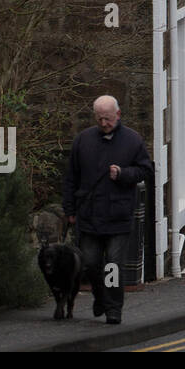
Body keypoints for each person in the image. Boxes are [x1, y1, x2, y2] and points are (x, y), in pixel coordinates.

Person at [62, 95, 153, 326]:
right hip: (89, 214)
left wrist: (123, 174)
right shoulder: (83, 140)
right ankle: (100, 296)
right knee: (90, 263)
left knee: (113, 265)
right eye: (100, 119)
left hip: (118, 216)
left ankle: (114, 309)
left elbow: (146, 170)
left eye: (108, 119)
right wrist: (69, 210)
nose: (104, 123)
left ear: (118, 115)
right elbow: (71, 178)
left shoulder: (132, 140)